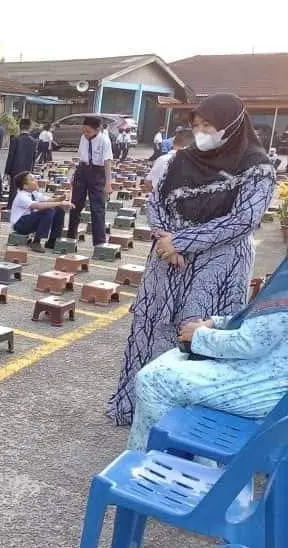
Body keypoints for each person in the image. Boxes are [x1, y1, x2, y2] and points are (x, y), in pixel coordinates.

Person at [108, 93, 275, 426]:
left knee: (199, 332)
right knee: (152, 327)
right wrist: (165, 240)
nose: (201, 132)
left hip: (217, 263)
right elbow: (154, 202)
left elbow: (243, 219)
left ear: (231, 125)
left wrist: (181, 242)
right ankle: (138, 406)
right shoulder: (179, 160)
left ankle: (185, 422)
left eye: (208, 125)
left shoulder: (257, 167)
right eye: (196, 125)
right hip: (167, 260)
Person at [127, 255, 288, 451]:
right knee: (174, 361)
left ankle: (147, 462)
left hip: (265, 388)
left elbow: (252, 342)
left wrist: (199, 336)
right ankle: (192, 455)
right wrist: (215, 323)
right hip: (270, 375)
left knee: (152, 380)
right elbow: (263, 324)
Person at [66, 116, 113, 247]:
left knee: (97, 208)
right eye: (84, 130)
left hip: (98, 172)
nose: (85, 134)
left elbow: (107, 161)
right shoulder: (83, 138)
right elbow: (81, 158)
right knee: (75, 204)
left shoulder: (104, 140)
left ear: (97, 129)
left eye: (88, 131)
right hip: (82, 171)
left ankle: (99, 242)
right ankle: (70, 236)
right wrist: (73, 175)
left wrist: (108, 183)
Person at [10, 172, 73, 253]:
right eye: (32, 180)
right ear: (25, 186)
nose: (36, 181)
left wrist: (63, 197)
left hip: (29, 220)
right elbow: (38, 206)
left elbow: (51, 200)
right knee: (48, 210)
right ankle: (36, 241)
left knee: (58, 210)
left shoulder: (33, 193)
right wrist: (61, 203)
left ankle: (52, 241)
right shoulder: (21, 196)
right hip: (20, 225)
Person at [4, 118, 38, 203]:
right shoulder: (34, 141)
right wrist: (31, 171)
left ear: (19, 127)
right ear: (29, 127)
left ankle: (11, 207)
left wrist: (7, 171)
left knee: (13, 190)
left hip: (15, 169)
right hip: (27, 170)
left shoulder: (15, 140)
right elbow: (34, 158)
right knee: (26, 190)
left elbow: (11, 156)